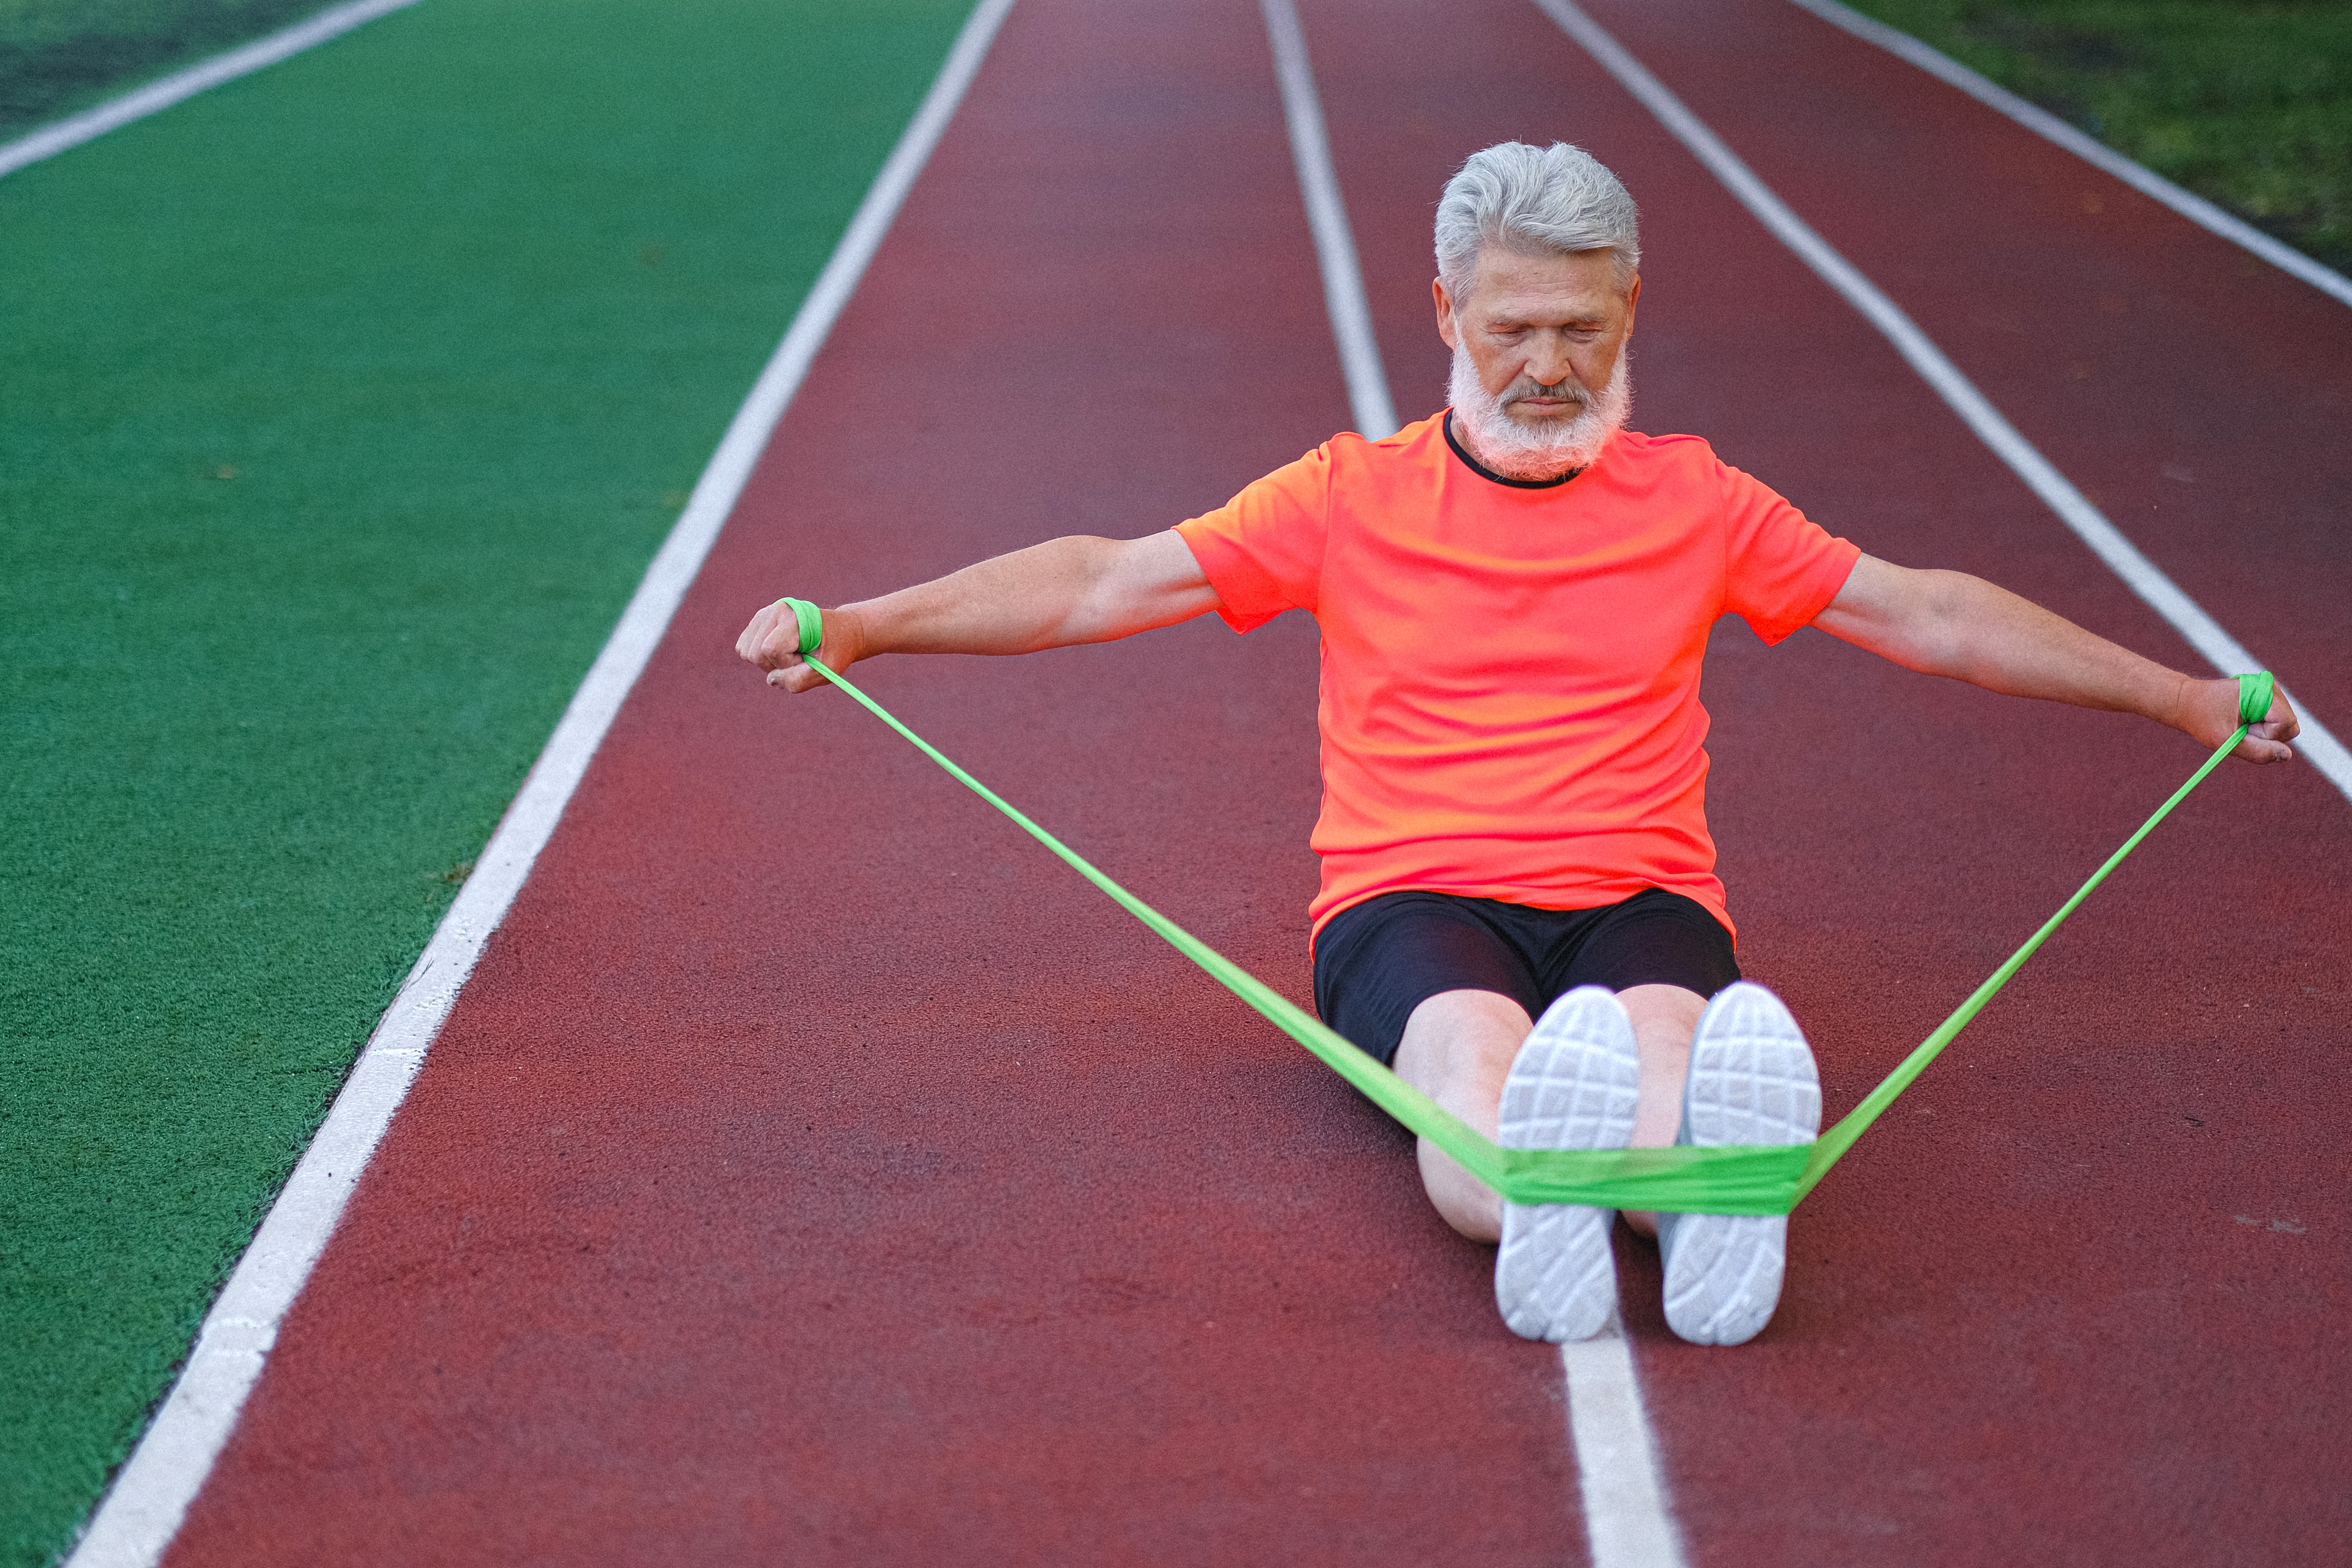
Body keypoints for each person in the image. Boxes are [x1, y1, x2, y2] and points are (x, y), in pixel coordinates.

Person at [736, 142, 2297, 1347]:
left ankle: (1696, 1231)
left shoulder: (1695, 501)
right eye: (1510, 327)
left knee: (1677, 1047)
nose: (1545, 363)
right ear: (1442, 313)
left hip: (1638, 895)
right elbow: (1095, 580)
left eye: (1578, 324)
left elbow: (1930, 617)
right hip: (1409, 901)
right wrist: (866, 623)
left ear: (1629, 307)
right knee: (1467, 1066)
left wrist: (2175, 697)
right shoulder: (1349, 496)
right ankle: (1583, 1219)